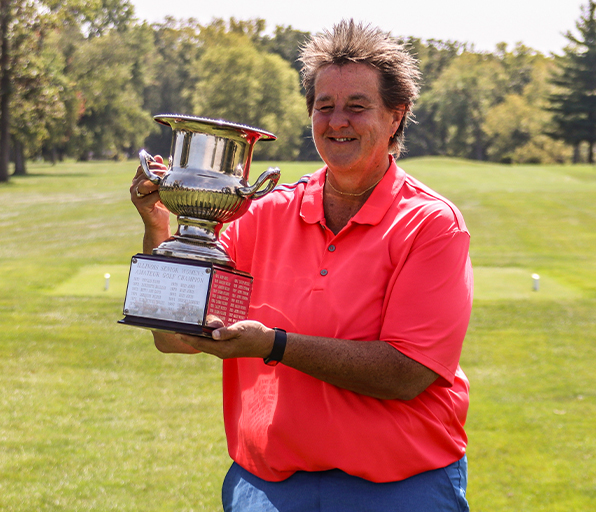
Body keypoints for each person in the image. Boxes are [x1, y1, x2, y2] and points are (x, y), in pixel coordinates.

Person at [131, 19, 472, 512]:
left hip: (400, 490)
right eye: (324, 106)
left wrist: (275, 345)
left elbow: (406, 373)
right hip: (268, 487)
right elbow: (172, 338)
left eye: (357, 106)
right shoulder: (263, 213)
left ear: (396, 116)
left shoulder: (430, 224)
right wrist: (163, 228)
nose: (337, 121)